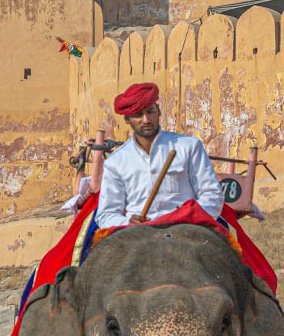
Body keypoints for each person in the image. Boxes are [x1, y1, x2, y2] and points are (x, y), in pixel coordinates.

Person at [93, 82, 222, 231]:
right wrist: (128, 222)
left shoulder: (189, 146)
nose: (146, 120)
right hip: (138, 234)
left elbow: (212, 195)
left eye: (150, 112)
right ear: (127, 120)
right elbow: (106, 214)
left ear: (159, 111)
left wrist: (189, 217)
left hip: (187, 229)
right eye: (138, 115)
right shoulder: (116, 161)